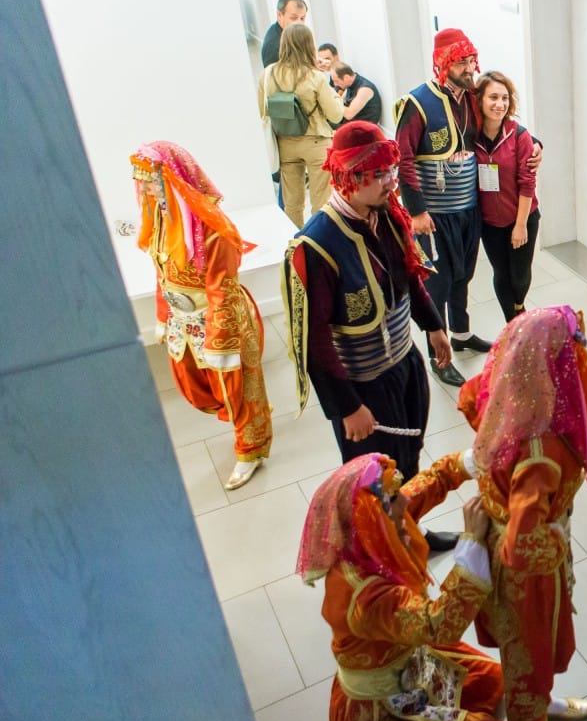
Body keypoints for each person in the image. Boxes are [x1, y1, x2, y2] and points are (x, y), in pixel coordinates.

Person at [281, 121, 459, 552]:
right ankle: (380, 554)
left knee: (409, 458)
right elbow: (316, 342)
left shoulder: (387, 214)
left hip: (404, 364)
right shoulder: (315, 245)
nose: (389, 182)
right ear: (347, 177)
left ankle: (409, 530)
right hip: (362, 385)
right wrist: (347, 407)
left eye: (390, 171)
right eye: (377, 175)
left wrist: (434, 326)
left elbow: (411, 277)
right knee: (371, 477)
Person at [456, 306, 587, 721]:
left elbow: (468, 398)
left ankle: (537, 704)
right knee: (532, 645)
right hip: (525, 570)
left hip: (498, 536)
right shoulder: (541, 449)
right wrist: (555, 540)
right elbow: (523, 546)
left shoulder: (501, 391)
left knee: (521, 643)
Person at [297, 450, 520, 721]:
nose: (403, 500)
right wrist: (472, 544)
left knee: (492, 679)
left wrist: (476, 458)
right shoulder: (364, 596)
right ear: (371, 517)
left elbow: (430, 482)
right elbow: (440, 624)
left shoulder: (377, 528)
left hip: (412, 660)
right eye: (393, 497)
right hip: (380, 706)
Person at [394, 28, 542, 386]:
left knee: (463, 275)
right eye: (461, 62)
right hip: (435, 214)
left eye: (471, 60)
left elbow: (502, 124)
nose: (469, 67)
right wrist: (416, 211)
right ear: (443, 63)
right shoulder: (417, 103)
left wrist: (536, 144)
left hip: (469, 209)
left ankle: (460, 335)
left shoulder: (470, 99)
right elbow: (403, 157)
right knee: (438, 283)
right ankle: (438, 356)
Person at [131, 142, 272, 490]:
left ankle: (250, 450)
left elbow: (223, 289)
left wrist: (219, 341)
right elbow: (162, 271)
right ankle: (245, 418)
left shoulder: (213, 227)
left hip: (221, 318)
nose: (144, 188)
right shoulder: (162, 217)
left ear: (172, 179)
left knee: (239, 390)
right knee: (197, 388)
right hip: (184, 320)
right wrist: (163, 316)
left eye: (150, 179)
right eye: (140, 180)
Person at [261, 23, 344, 228]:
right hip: (316, 143)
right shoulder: (314, 76)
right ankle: (319, 240)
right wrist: (337, 97)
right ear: (309, 45)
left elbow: (262, 111)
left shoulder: (268, 74)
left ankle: (295, 241)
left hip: (285, 143)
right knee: (321, 201)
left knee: (292, 205)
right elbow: (335, 114)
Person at [473, 70, 539, 322]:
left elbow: (527, 182)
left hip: (522, 217)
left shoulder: (519, 135)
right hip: (490, 222)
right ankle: (513, 324)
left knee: (519, 277)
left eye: (504, 98)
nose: (500, 104)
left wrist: (520, 225)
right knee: (501, 274)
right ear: (479, 99)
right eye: (493, 97)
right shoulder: (469, 136)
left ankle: (519, 307)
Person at [261, 0, 307, 67]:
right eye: (293, 18)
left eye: (302, 18)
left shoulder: (289, 32)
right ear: (279, 15)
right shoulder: (274, 47)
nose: (299, 23)